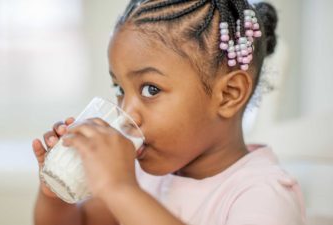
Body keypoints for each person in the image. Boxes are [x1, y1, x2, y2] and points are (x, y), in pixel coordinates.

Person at [32, 0, 306, 224]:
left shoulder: (262, 195)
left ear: (229, 94)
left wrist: (121, 189)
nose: (127, 112)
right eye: (119, 87)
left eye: (150, 89)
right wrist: (56, 192)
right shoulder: (146, 176)